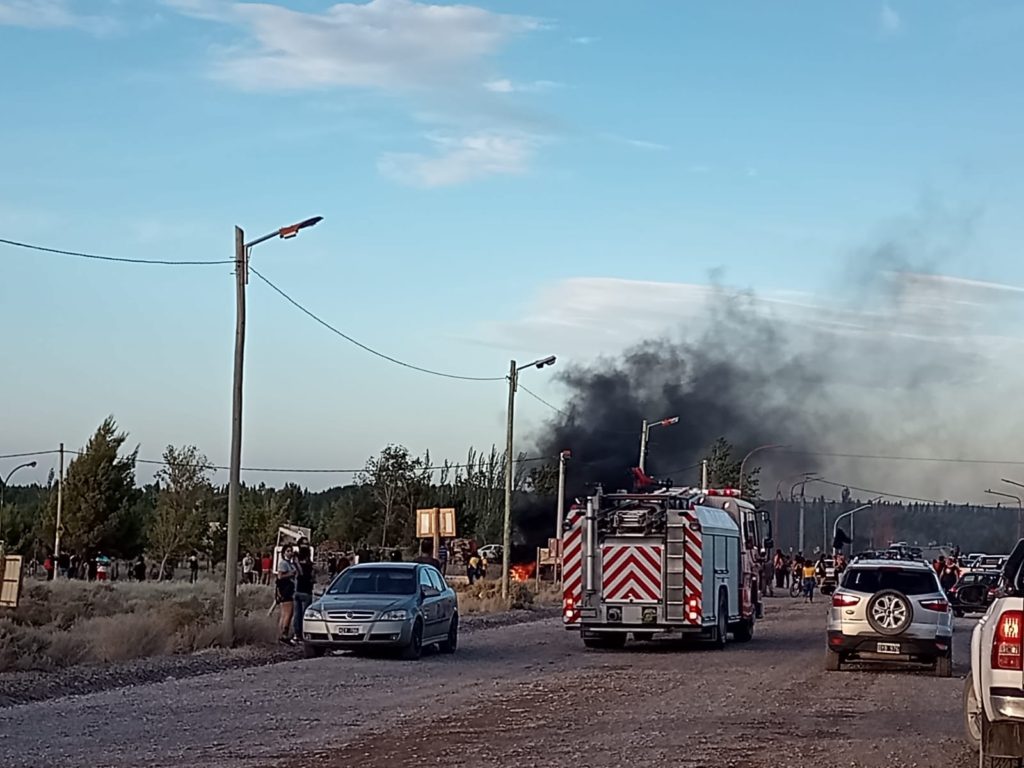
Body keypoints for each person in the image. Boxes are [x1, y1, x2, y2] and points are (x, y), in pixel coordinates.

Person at [276, 545, 297, 645]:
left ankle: (281, 635)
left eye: (291, 551)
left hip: (290, 590)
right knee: (288, 613)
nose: (290, 553)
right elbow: (280, 576)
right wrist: (291, 574)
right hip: (286, 590)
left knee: (285, 613)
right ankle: (284, 634)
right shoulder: (283, 563)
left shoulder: (290, 563)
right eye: (288, 551)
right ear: (284, 553)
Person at [293, 544, 315, 641]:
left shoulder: (297, 565)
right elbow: (313, 578)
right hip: (307, 592)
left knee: (297, 614)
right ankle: (304, 633)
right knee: (305, 614)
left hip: (298, 590)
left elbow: (298, 574)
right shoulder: (310, 566)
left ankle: (297, 634)